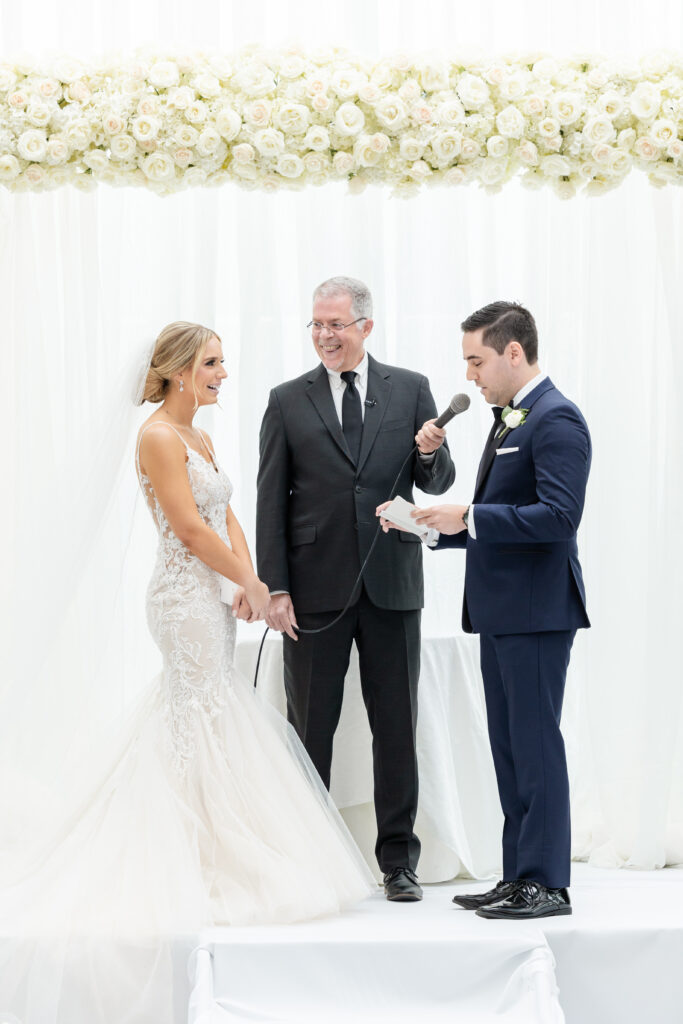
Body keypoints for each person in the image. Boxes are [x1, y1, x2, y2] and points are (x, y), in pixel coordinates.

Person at [0, 321, 374, 1024]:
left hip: (210, 594)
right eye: (211, 362)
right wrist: (250, 584)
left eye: (222, 361)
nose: (222, 373)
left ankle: (210, 846)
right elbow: (188, 527)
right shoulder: (157, 437)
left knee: (207, 711)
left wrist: (247, 580)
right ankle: (186, 858)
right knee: (198, 710)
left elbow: (225, 514)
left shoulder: (198, 436)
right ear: (177, 372)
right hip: (178, 600)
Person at [379, 301, 591, 919]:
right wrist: (425, 528)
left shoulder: (557, 420)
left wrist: (467, 515)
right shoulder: (507, 420)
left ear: (514, 353)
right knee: (508, 748)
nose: (470, 374)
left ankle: (548, 883)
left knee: (535, 746)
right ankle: (519, 873)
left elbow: (558, 518)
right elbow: (501, 517)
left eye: (477, 360)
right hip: (501, 611)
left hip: (538, 611)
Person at [256, 277, 455, 902]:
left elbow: (436, 478)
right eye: (316, 325)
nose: (324, 336)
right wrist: (276, 587)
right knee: (310, 728)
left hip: (393, 582)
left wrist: (431, 451)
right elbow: (270, 501)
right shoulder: (287, 399)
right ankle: (308, 858)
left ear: (365, 327)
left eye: (335, 325)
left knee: (396, 727)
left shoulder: (412, 388)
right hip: (312, 591)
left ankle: (399, 862)